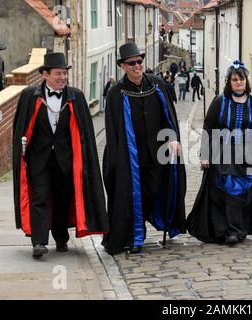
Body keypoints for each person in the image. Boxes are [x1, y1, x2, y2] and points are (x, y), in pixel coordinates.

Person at [12, 52, 109, 259]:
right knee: (40, 197)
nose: (63, 78)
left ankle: (61, 237)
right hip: (39, 159)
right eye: (58, 74)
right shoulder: (30, 96)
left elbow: (85, 134)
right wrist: (23, 158)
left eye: (65, 74)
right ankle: (39, 242)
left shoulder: (76, 97)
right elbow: (20, 128)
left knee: (62, 199)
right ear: (45, 74)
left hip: (66, 160)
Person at [102, 43, 187, 255]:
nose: (137, 66)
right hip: (130, 156)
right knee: (132, 195)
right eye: (132, 63)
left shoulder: (157, 85)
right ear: (123, 66)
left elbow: (169, 117)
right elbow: (113, 130)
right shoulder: (116, 93)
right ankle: (135, 236)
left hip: (157, 153)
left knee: (154, 190)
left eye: (139, 61)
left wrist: (174, 138)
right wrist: (118, 157)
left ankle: (156, 223)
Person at [187, 60, 252, 245]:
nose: (239, 83)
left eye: (241, 79)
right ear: (229, 82)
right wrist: (205, 155)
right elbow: (208, 128)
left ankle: (240, 229)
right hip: (223, 155)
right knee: (228, 192)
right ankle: (230, 231)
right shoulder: (220, 102)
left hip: (248, 156)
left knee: (245, 193)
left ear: (246, 81)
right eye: (234, 80)